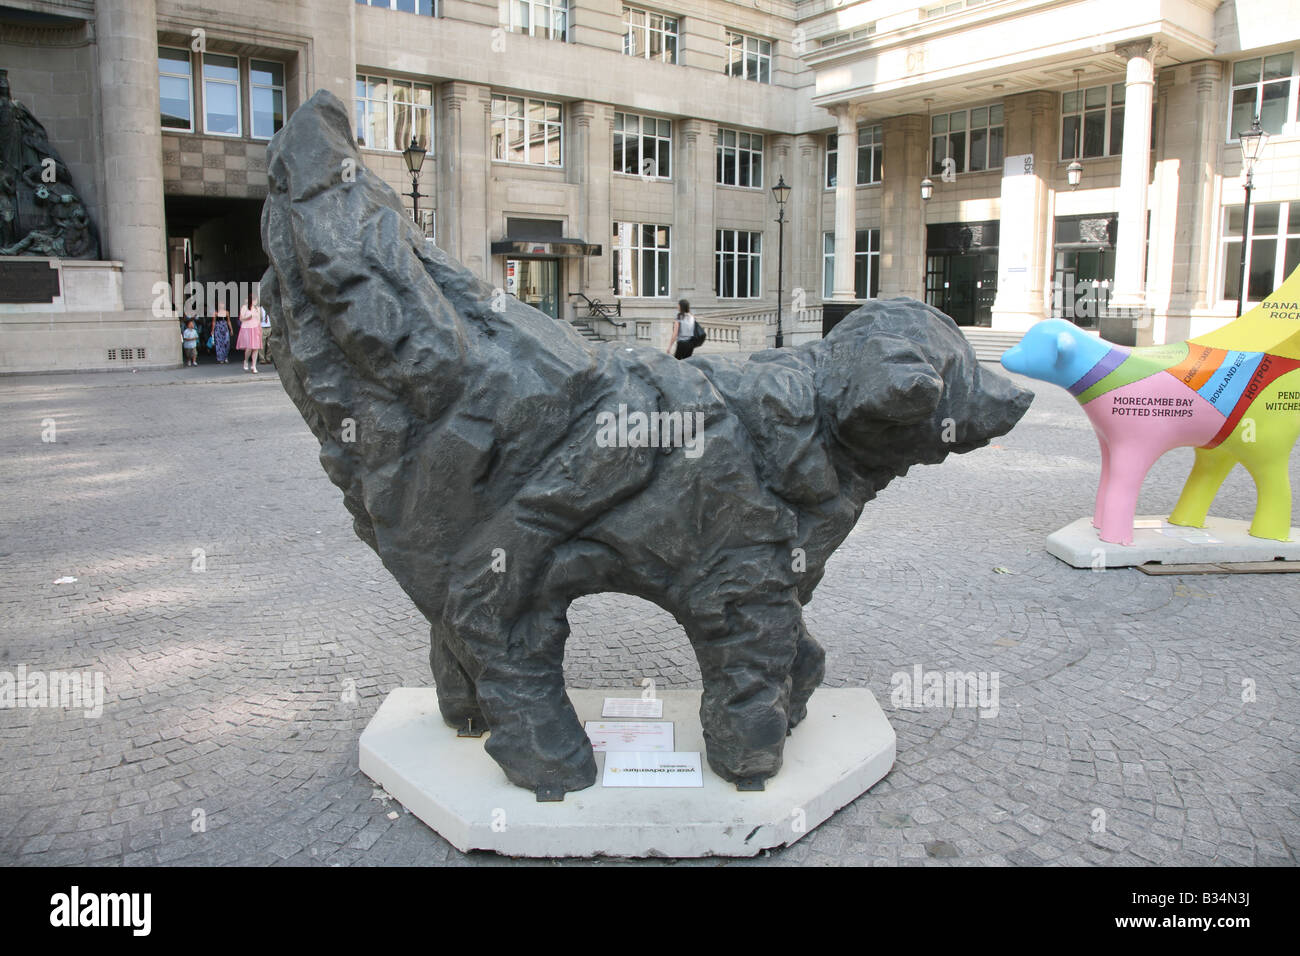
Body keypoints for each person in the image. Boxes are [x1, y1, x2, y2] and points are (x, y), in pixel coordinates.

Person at [237, 295, 263, 373]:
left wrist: (260, 329)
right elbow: (241, 318)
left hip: (255, 328)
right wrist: (247, 317)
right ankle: (246, 360)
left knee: (256, 348)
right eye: (253, 300)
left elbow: (259, 320)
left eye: (255, 300)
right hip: (247, 328)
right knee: (249, 348)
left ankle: (253, 366)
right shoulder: (245, 307)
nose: (255, 301)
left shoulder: (257, 309)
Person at [258, 301, 272, 366]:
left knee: (270, 344)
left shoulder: (270, 308)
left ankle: (268, 358)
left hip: (270, 326)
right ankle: (262, 359)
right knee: (262, 344)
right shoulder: (259, 309)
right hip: (262, 327)